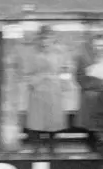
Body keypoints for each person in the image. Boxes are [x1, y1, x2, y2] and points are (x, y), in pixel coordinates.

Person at [24, 25, 70, 154]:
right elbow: (27, 72)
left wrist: (63, 84)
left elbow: (65, 69)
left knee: (53, 120)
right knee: (37, 120)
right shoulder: (33, 53)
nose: (45, 41)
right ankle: (36, 146)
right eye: (43, 38)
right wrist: (34, 82)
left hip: (54, 90)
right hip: (38, 90)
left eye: (49, 37)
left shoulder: (60, 53)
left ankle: (52, 145)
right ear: (39, 38)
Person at [75, 33, 103, 152]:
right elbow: (79, 76)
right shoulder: (84, 58)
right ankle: (91, 144)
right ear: (93, 45)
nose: (100, 48)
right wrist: (90, 86)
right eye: (98, 45)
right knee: (91, 122)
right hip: (91, 95)